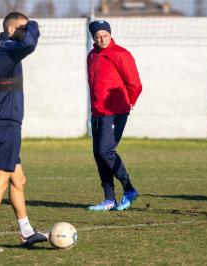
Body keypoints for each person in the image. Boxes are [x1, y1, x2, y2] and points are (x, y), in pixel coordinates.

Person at [0, 12, 47, 253]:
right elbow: (30, 42)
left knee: (18, 179)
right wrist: (33, 24)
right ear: (13, 29)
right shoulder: (6, 48)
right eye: (23, 28)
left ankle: (26, 233)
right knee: (1, 180)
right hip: (5, 123)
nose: (28, 31)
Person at [87, 20, 142, 211]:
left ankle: (129, 189)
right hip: (97, 113)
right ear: (93, 37)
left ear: (110, 35)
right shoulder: (91, 56)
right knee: (98, 155)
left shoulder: (121, 54)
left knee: (106, 151)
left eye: (105, 35)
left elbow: (135, 84)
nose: (102, 39)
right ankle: (109, 199)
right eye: (98, 36)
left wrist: (129, 102)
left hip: (116, 112)